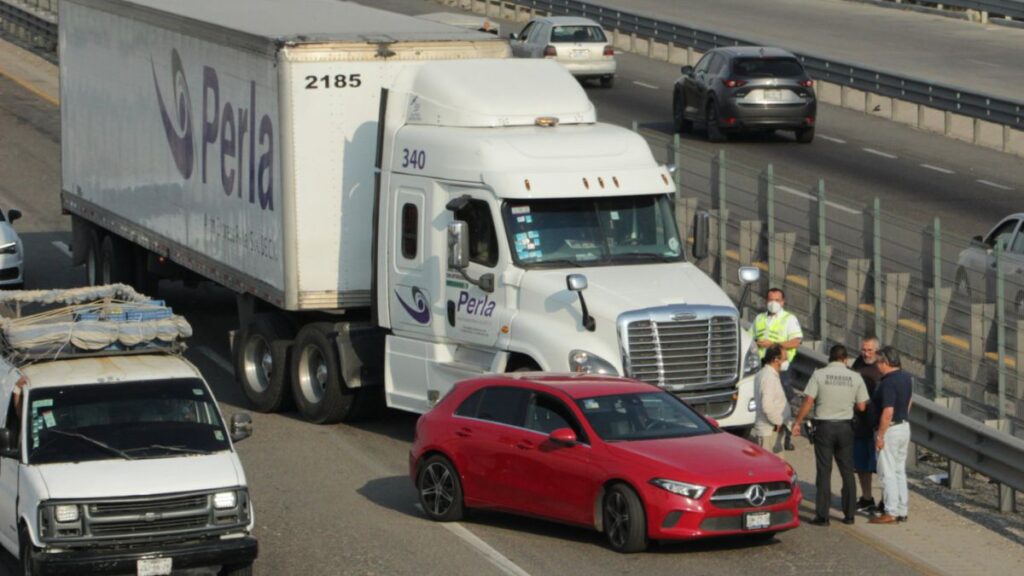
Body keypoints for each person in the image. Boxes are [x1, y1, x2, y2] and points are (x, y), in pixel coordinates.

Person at [793, 344, 868, 525]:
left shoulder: (819, 375)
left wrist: (797, 422)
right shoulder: (855, 377)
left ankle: (823, 516)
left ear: (830, 358)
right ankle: (849, 515)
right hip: (845, 427)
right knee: (847, 471)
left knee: (824, 471)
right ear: (845, 359)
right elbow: (861, 406)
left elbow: (808, 400)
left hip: (824, 427)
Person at [753, 288, 802, 450]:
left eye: (777, 300)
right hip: (763, 366)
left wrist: (773, 345)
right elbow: (751, 337)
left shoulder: (789, 319)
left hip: (782, 367)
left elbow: (796, 341)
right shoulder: (759, 318)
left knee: (783, 400)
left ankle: (786, 434)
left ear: (783, 302)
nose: (773, 303)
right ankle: (766, 430)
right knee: (764, 400)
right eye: (770, 299)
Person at [869, 346, 914, 525]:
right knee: (899, 470)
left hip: (890, 430)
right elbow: (909, 400)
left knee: (887, 471)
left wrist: (880, 436)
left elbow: (888, 411)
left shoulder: (888, 382)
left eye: (878, 362)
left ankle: (891, 511)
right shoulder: (906, 377)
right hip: (903, 426)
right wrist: (903, 416)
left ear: (885, 362)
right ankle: (902, 509)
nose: (876, 366)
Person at [851, 336, 883, 513]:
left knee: (881, 466)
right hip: (860, 424)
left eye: (870, 350)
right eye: (863, 349)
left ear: (877, 351)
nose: (866, 353)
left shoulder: (882, 367)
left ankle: (886, 500)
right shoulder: (858, 363)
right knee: (861, 465)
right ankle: (867, 498)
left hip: (877, 424)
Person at [752, 345, 789, 456]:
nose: (787, 362)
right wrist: (778, 422)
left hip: (770, 431)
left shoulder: (765, 374)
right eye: (785, 359)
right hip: (770, 432)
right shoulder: (769, 377)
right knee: (773, 465)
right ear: (776, 359)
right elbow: (767, 406)